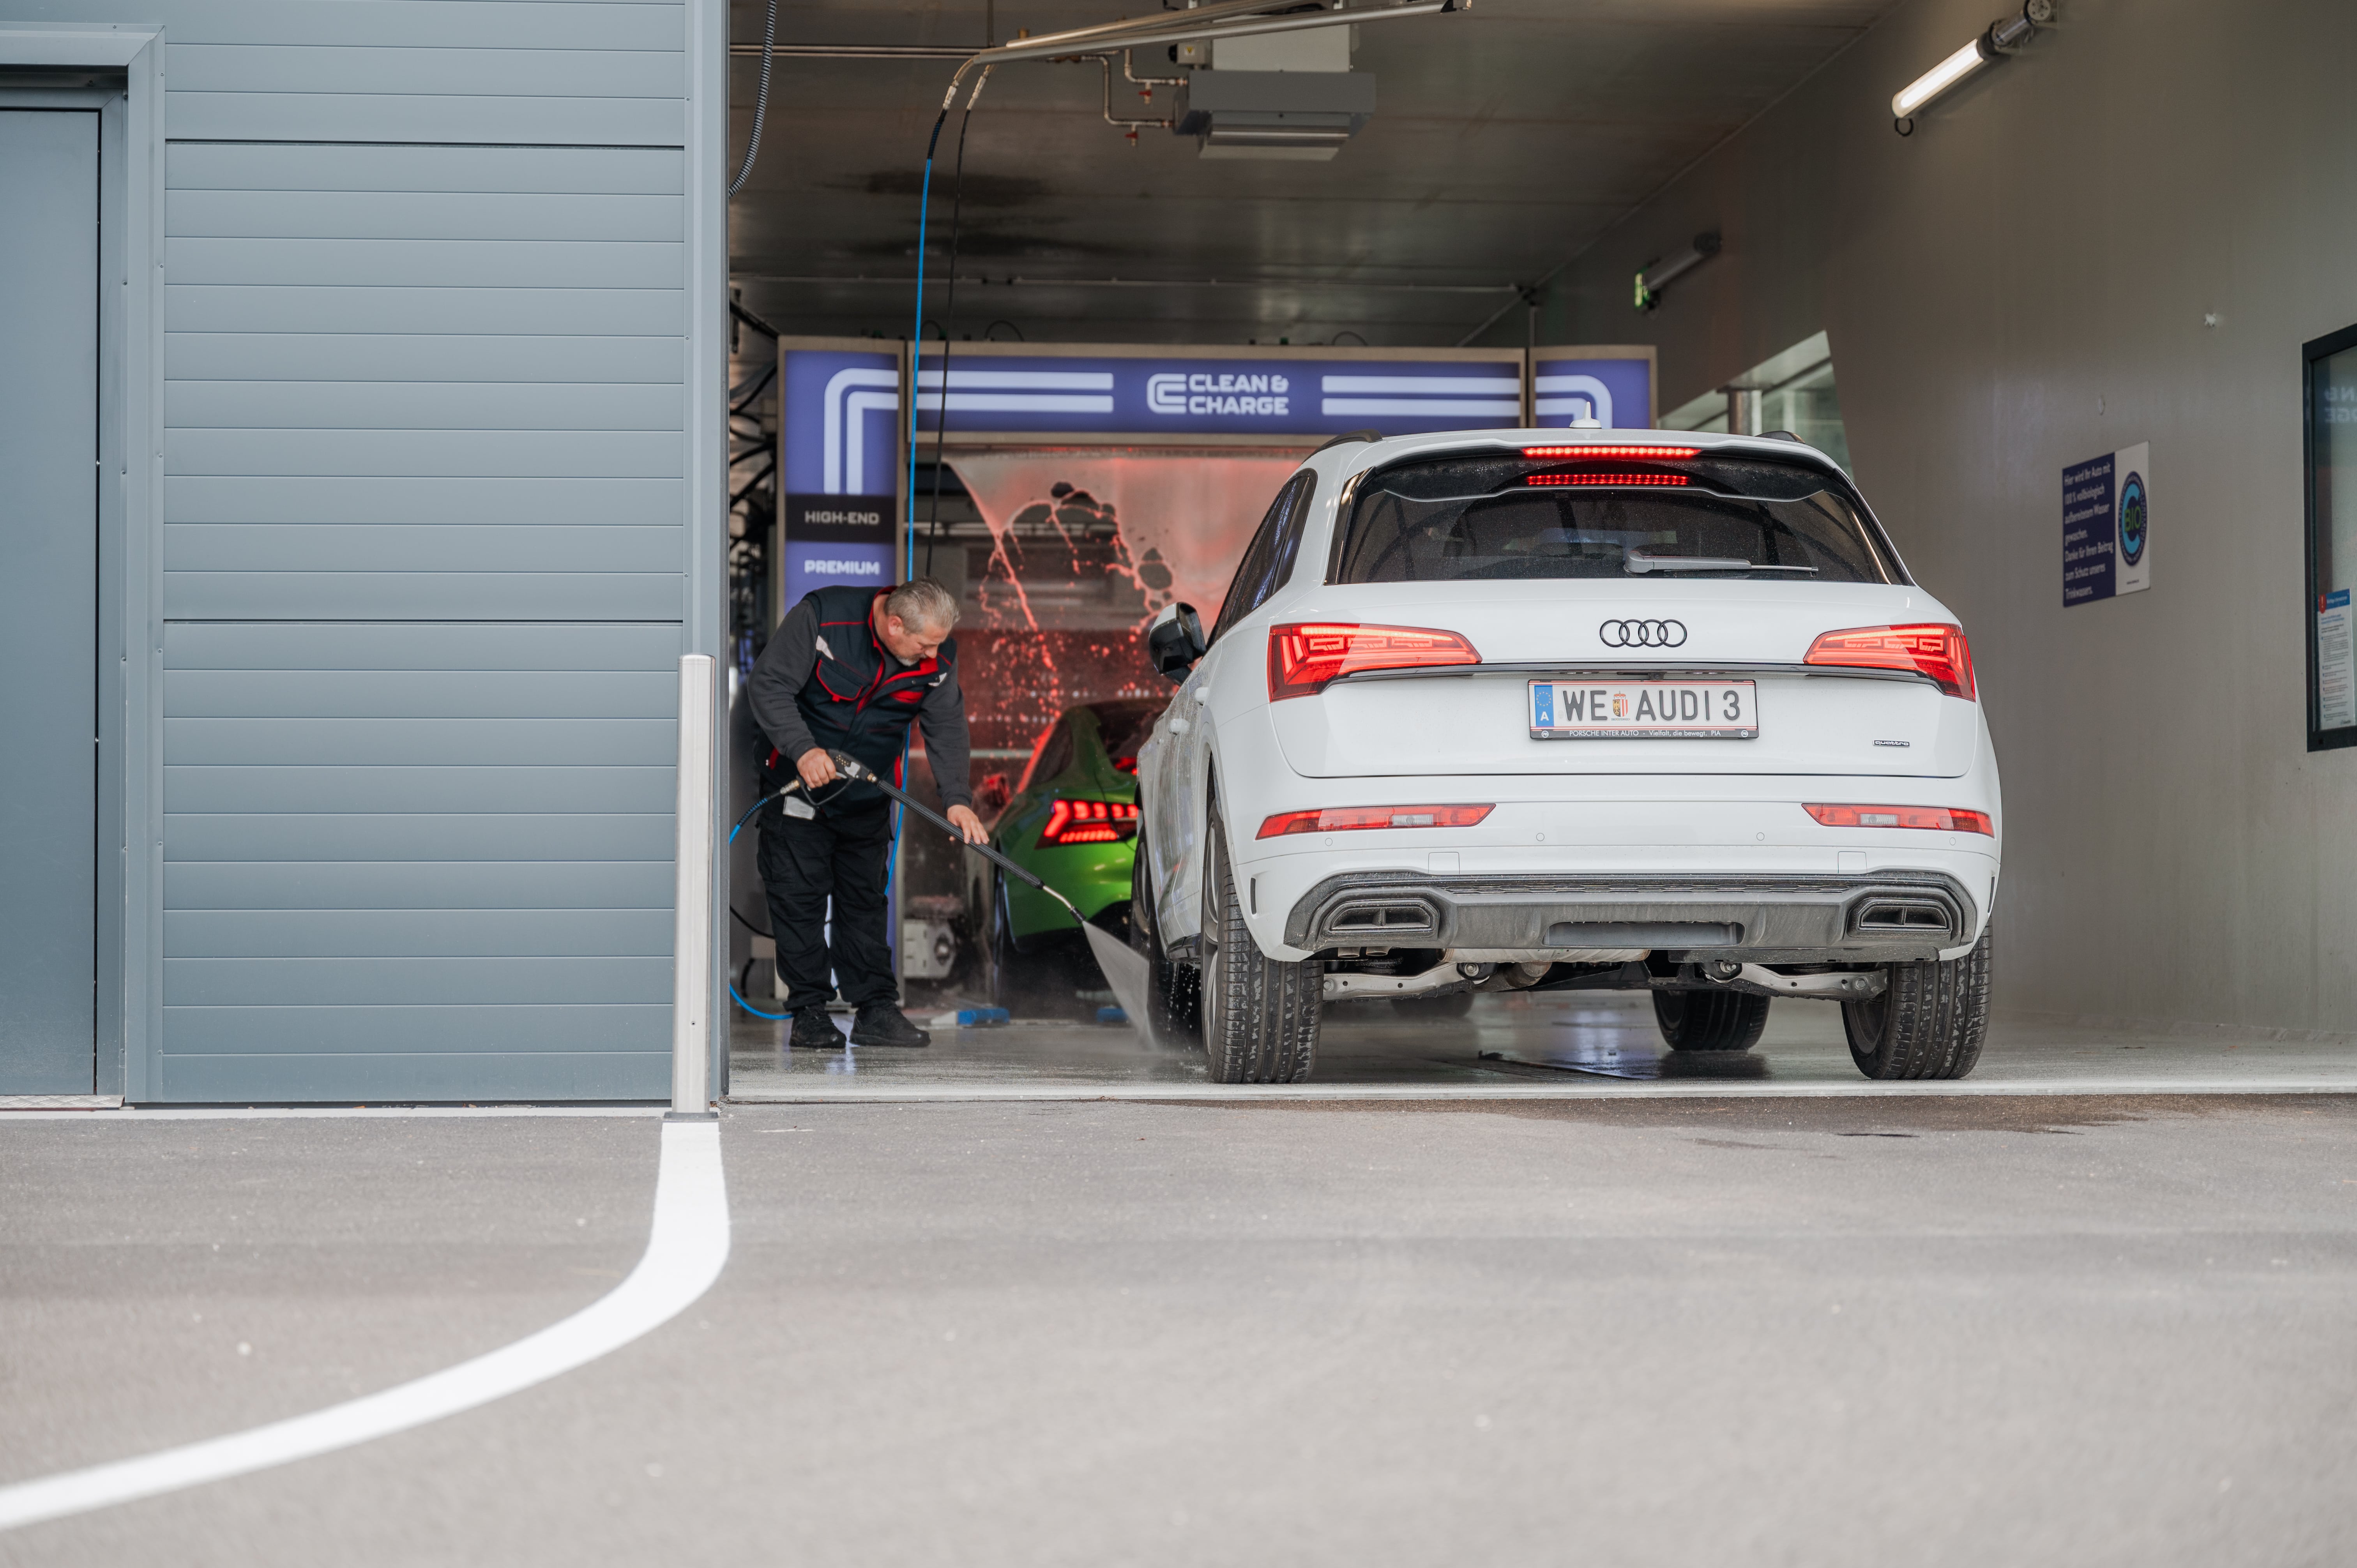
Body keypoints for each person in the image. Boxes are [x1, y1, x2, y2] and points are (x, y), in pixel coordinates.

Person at [746, 577, 987, 1049]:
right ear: (894, 625)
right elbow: (769, 685)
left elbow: (946, 726)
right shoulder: (823, 619)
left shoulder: (935, 661)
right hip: (798, 790)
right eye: (925, 645)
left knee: (864, 905)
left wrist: (957, 797)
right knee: (800, 902)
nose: (932, 655)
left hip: (866, 798)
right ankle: (810, 1013)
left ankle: (875, 1009)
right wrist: (804, 750)